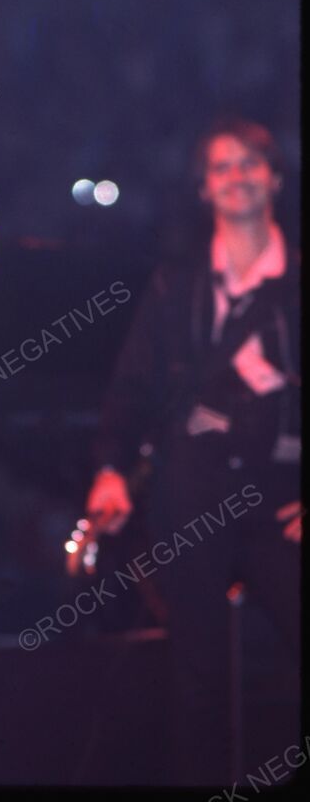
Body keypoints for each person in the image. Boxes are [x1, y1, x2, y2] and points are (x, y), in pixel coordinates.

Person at [85, 118, 300, 785]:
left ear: (274, 178)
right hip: (191, 495)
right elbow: (132, 387)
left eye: (248, 164)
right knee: (196, 676)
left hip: (285, 499)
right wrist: (111, 469)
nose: (236, 176)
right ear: (204, 188)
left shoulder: (297, 284)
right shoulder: (175, 285)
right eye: (221, 167)